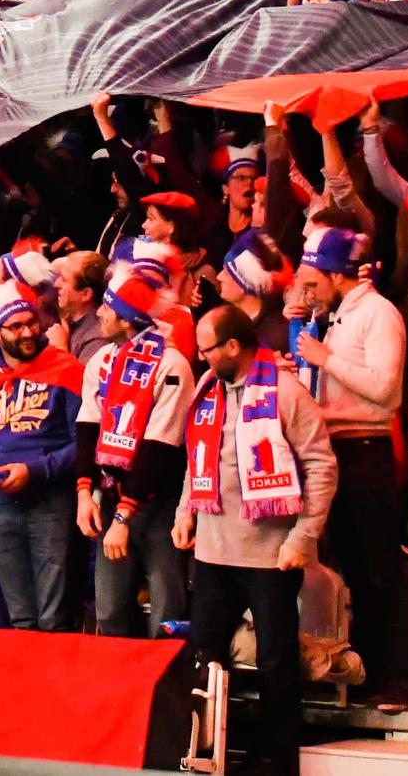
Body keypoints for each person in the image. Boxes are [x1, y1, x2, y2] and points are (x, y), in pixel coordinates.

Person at [174, 303, 335, 776]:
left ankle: (277, 759)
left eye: (207, 349)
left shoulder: (285, 391)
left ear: (233, 346)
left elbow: (322, 467)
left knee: (275, 661)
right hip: (213, 550)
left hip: (271, 554)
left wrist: (303, 538)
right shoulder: (209, 388)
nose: (201, 359)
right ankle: (203, 750)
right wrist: (187, 511)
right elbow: (195, 457)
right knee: (204, 656)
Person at [294, 223, 408, 709]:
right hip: (334, 449)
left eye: (314, 277)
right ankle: (370, 672)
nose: (308, 287)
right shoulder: (336, 315)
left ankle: (401, 676)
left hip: (368, 449)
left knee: (382, 565)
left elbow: (386, 389)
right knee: (353, 568)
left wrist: (325, 360)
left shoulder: (379, 314)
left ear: (336, 273)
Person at [77, 266, 193, 639]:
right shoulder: (102, 360)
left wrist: (124, 518)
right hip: (112, 496)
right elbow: (88, 427)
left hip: (158, 504)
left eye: (107, 309)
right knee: (109, 611)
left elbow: (160, 449)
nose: (99, 314)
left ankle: (166, 694)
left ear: (127, 320)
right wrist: (84, 493)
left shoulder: (172, 365)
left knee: (166, 613)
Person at [0, 278, 83, 630]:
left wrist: (34, 470)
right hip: (2, 509)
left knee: (54, 620)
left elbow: (85, 446)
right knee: (21, 621)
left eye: (32, 322)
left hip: (52, 505)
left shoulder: (66, 369)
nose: (29, 331)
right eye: (16, 327)